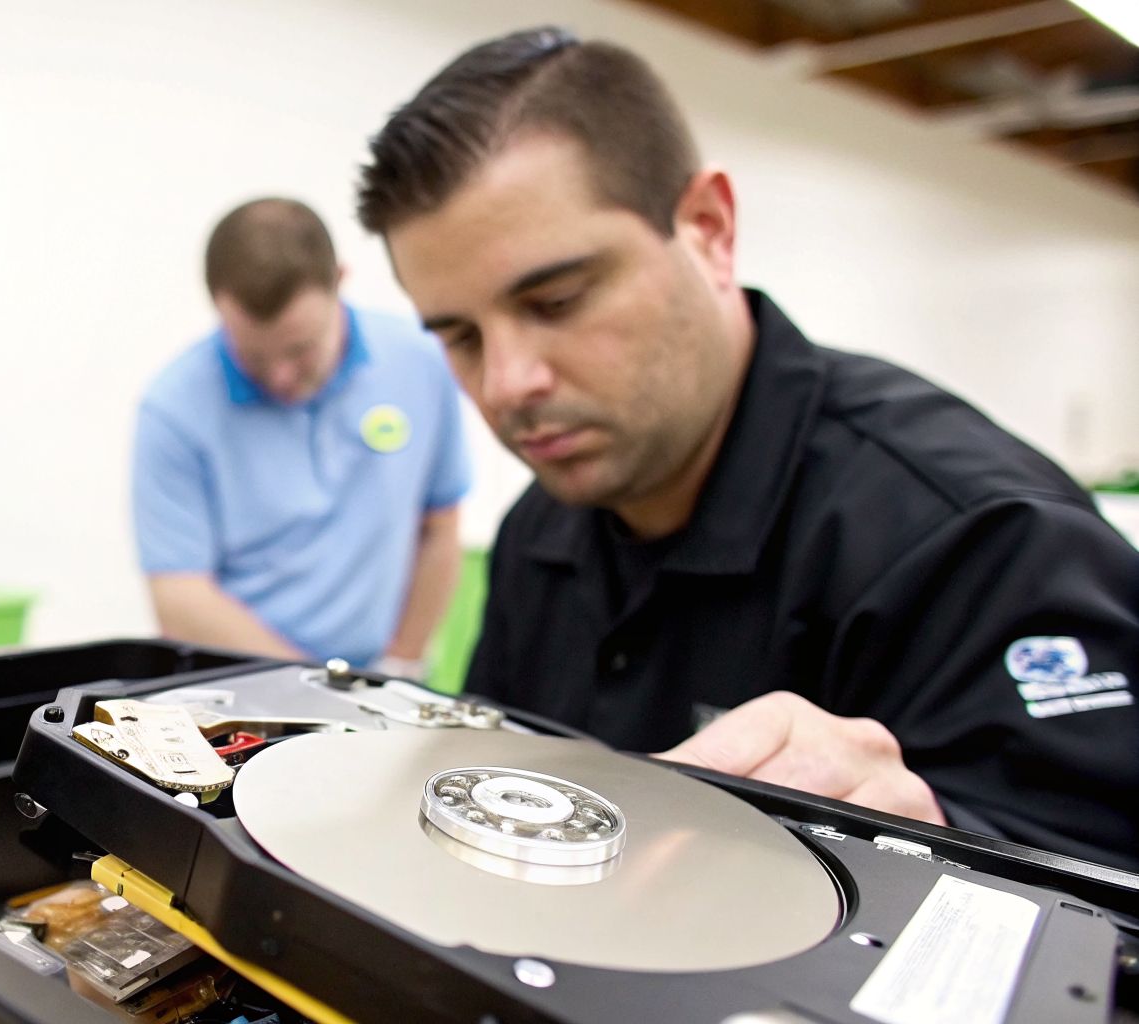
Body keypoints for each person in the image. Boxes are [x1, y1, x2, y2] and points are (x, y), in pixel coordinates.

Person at [355, 28, 1138, 868]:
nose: (507, 382)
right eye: (461, 336)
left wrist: (944, 841)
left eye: (556, 300)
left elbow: (1100, 920)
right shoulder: (538, 532)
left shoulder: (980, 538)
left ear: (708, 229)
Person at [132, 198, 471, 675]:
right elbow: (180, 595)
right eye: (255, 356)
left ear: (340, 280)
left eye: (301, 350)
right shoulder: (173, 407)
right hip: (234, 687)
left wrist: (402, 662)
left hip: (377, 679)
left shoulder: (421, 363)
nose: (281, 377)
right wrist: (316, 691)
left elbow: (439, 527)